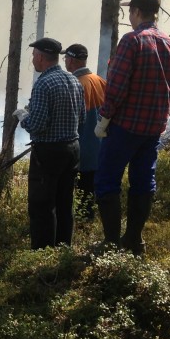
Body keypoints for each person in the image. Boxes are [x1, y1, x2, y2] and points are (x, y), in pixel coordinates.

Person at [94, 0, 170, 255]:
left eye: (129, 13)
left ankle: (111, 244)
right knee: (144, 182)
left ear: (135, 12)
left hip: (124, 127)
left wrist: (104, 118)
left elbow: (117, 86)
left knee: (107, 180)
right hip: (153, 129)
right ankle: (134, 240)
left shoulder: (132, 41)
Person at [14, 37, 85, 249]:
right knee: (64, 203)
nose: (33, 59)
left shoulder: (43, 83)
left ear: (42, 57)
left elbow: (37, 124)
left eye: (34, 55)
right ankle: (63, 249)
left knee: (42, 205)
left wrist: (22, 117)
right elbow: (81, 118)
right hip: (72, 149)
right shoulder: (74, 80)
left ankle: (42, 253)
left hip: (49, 153)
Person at [63, 43, 106, 220]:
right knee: (92, 193)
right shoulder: (100, 80)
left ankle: (82, 228)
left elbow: (72, 121)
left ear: (71, 61)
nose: (65, 61)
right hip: (100, 149)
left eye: (66, 58)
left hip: (82, 151)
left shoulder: (76, 85)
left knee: (81, 196)